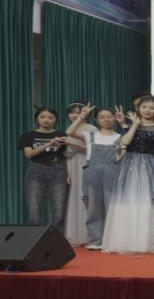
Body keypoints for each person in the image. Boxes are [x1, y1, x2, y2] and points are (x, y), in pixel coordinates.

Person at [103, 96, 154, 253]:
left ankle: (146, 242)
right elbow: (125, 143)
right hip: (129, 167)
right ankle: (126, 242)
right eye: (144, 107)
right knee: (128, 202)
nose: (148, 110)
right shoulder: (130, 125)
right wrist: (134, 125)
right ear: (138, 108)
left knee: (149, 203)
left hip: (151, 167)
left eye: (152, 108)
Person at [65, 105, 120, 250]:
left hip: (113, 173)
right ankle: (96, 240)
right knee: (93, 206)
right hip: (92, 172)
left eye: (109, 116)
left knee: (112, 206)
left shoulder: (119, 137)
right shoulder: (90, 135)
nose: (106, 119)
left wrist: (124, 124)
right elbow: (69, 132)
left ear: (114, 118)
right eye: (102, 117)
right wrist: (81, 117)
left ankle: (112, 239)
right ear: (96, 120)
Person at [20, 107, 70, 233]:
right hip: (36, 170)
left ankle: (56, 239)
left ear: (55, 119)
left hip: (58, 170)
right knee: (34, 207)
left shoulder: (61, 135)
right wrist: (48, 144)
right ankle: (37, 238)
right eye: (42, 117)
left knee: (59, 208)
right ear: (37, 118)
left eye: (50, 117)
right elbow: (29, 154)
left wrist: (69, 173)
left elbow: (67, 156)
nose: (46, 120)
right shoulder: (28, 135)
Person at [60, 103, 91, 245]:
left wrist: (76, 145)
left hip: (88, 164)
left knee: (88, 198)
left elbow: (93, 150)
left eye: (78, 112)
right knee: (76, 198)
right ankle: (76, 235)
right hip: (75, 165)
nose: (75, 115)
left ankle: (90, 235)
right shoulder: (69, 129)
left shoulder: (92, 129)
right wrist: (69, 173)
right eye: (72, 112)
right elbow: (69, 155)